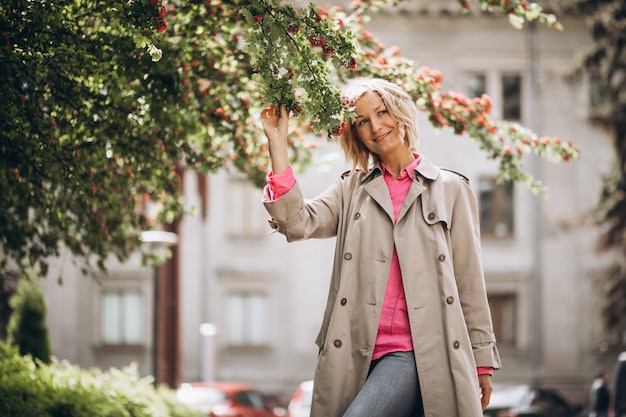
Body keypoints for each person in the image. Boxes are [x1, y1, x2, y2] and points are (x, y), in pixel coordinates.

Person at [260, 78, 502, 417]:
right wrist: (277, 141)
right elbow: (297, 222)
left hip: (415, 353)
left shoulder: (450, 189)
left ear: (400, 112)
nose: (376, 126)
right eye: (362, 121)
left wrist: (482, 362)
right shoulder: (352, 189)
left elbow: (468, 280)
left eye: (382, 112)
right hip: (353, 353)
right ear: (355, 132)